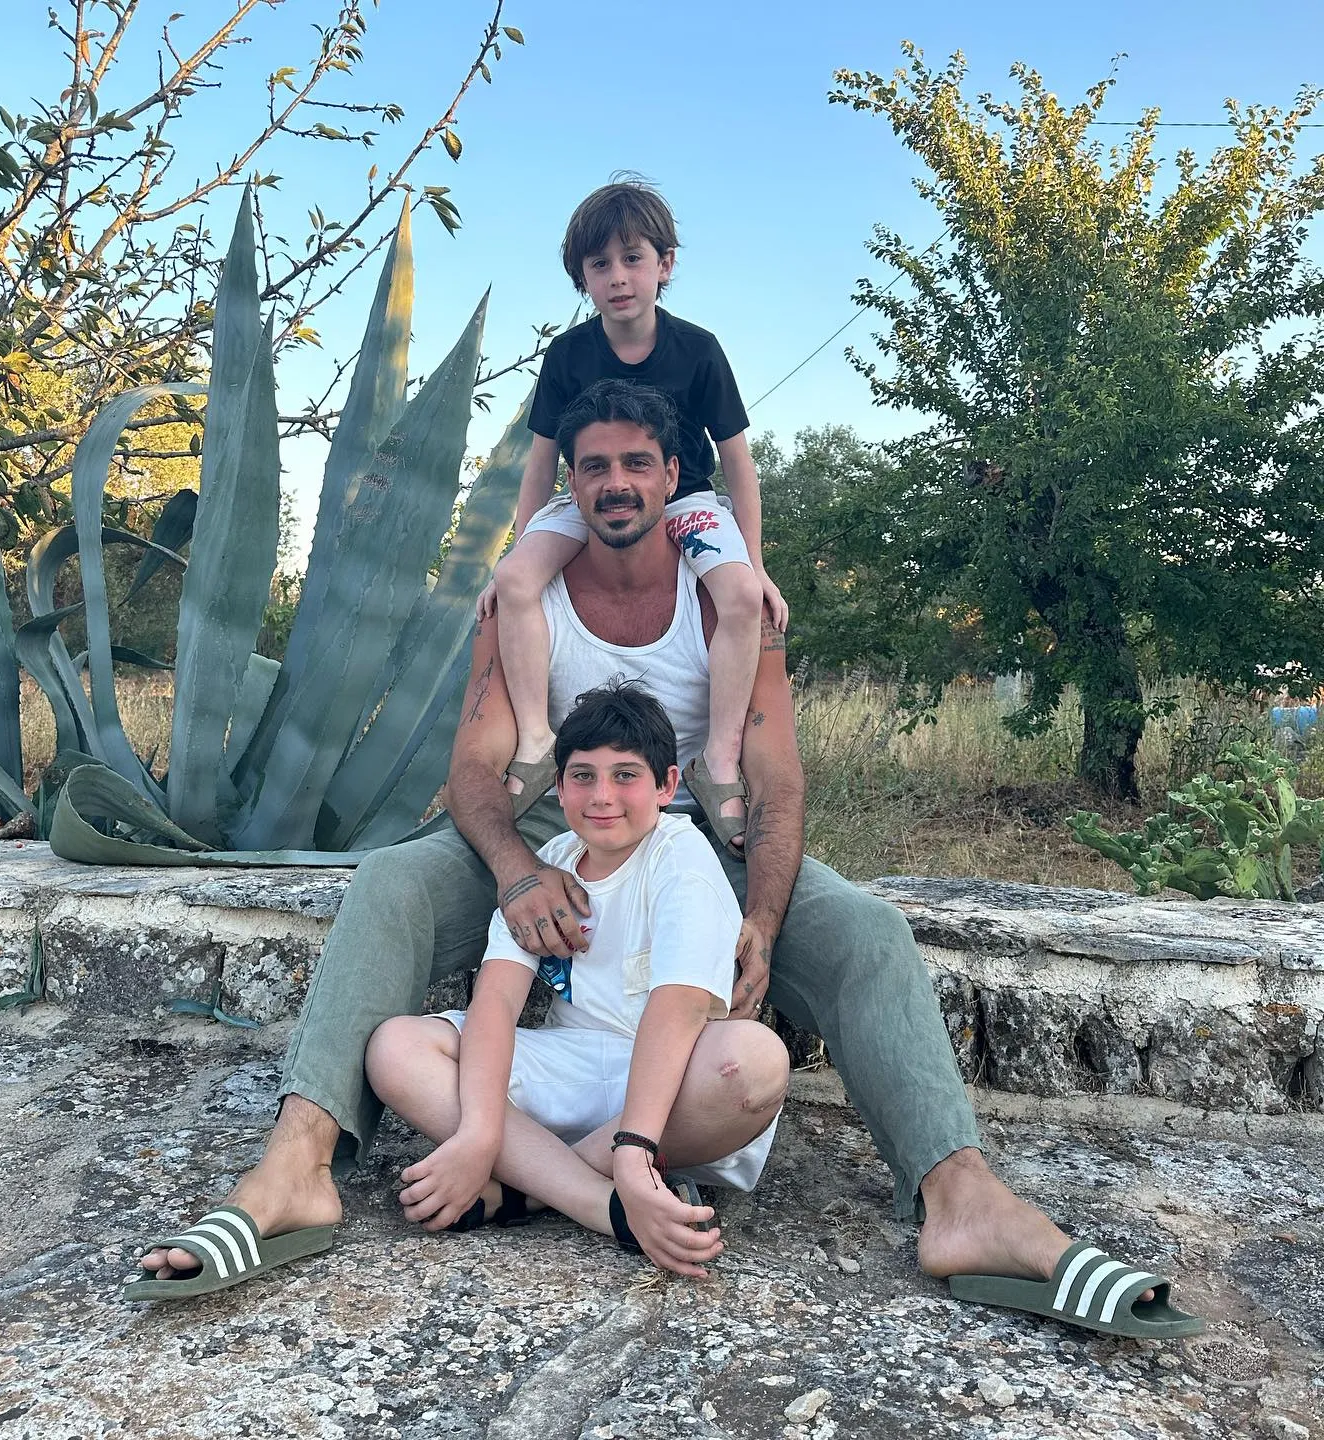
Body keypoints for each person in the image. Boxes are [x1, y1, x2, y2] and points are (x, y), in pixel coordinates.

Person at [126, 379, 1204, 1341]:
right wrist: (515, 873)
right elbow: (475, 769)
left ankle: (962, 1200)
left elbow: (776, 785)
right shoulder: (525, 599)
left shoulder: (733, 604)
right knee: (391, 881)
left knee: (868, 932)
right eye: (593, 465)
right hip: (548, 835)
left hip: (701, 843)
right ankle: (298, 1166)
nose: (614, 483)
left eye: (637, 463)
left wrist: (765, 920)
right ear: (570, 482)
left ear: (673, 475)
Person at [362, 680, 789, 1276]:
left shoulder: (681, 858)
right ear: (559, 787)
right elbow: (495, 1003)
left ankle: (527, 1188)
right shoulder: (550, 867)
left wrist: (635, 1151)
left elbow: (680, 1009)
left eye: (625, 775)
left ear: (666, 785)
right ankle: (599, 1204)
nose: (602, 796)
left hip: (673, 1091)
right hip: (574, 1067)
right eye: (583, 776)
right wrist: (478, 1133)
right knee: (396, 1048)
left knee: (756, 1060)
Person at [477, 178, 786, 854]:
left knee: (739, 598)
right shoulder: (568, 355)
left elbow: (738, 463)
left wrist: (756, 565)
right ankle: (536, 739)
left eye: (633, 258)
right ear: (582, 277)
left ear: (664, 264)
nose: (618, 277)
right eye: (600, 264)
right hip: (588, 498)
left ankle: (719, 762)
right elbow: (541, 462)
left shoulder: (698, 349)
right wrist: (519, 551)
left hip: (686, 498)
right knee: (516, 582)